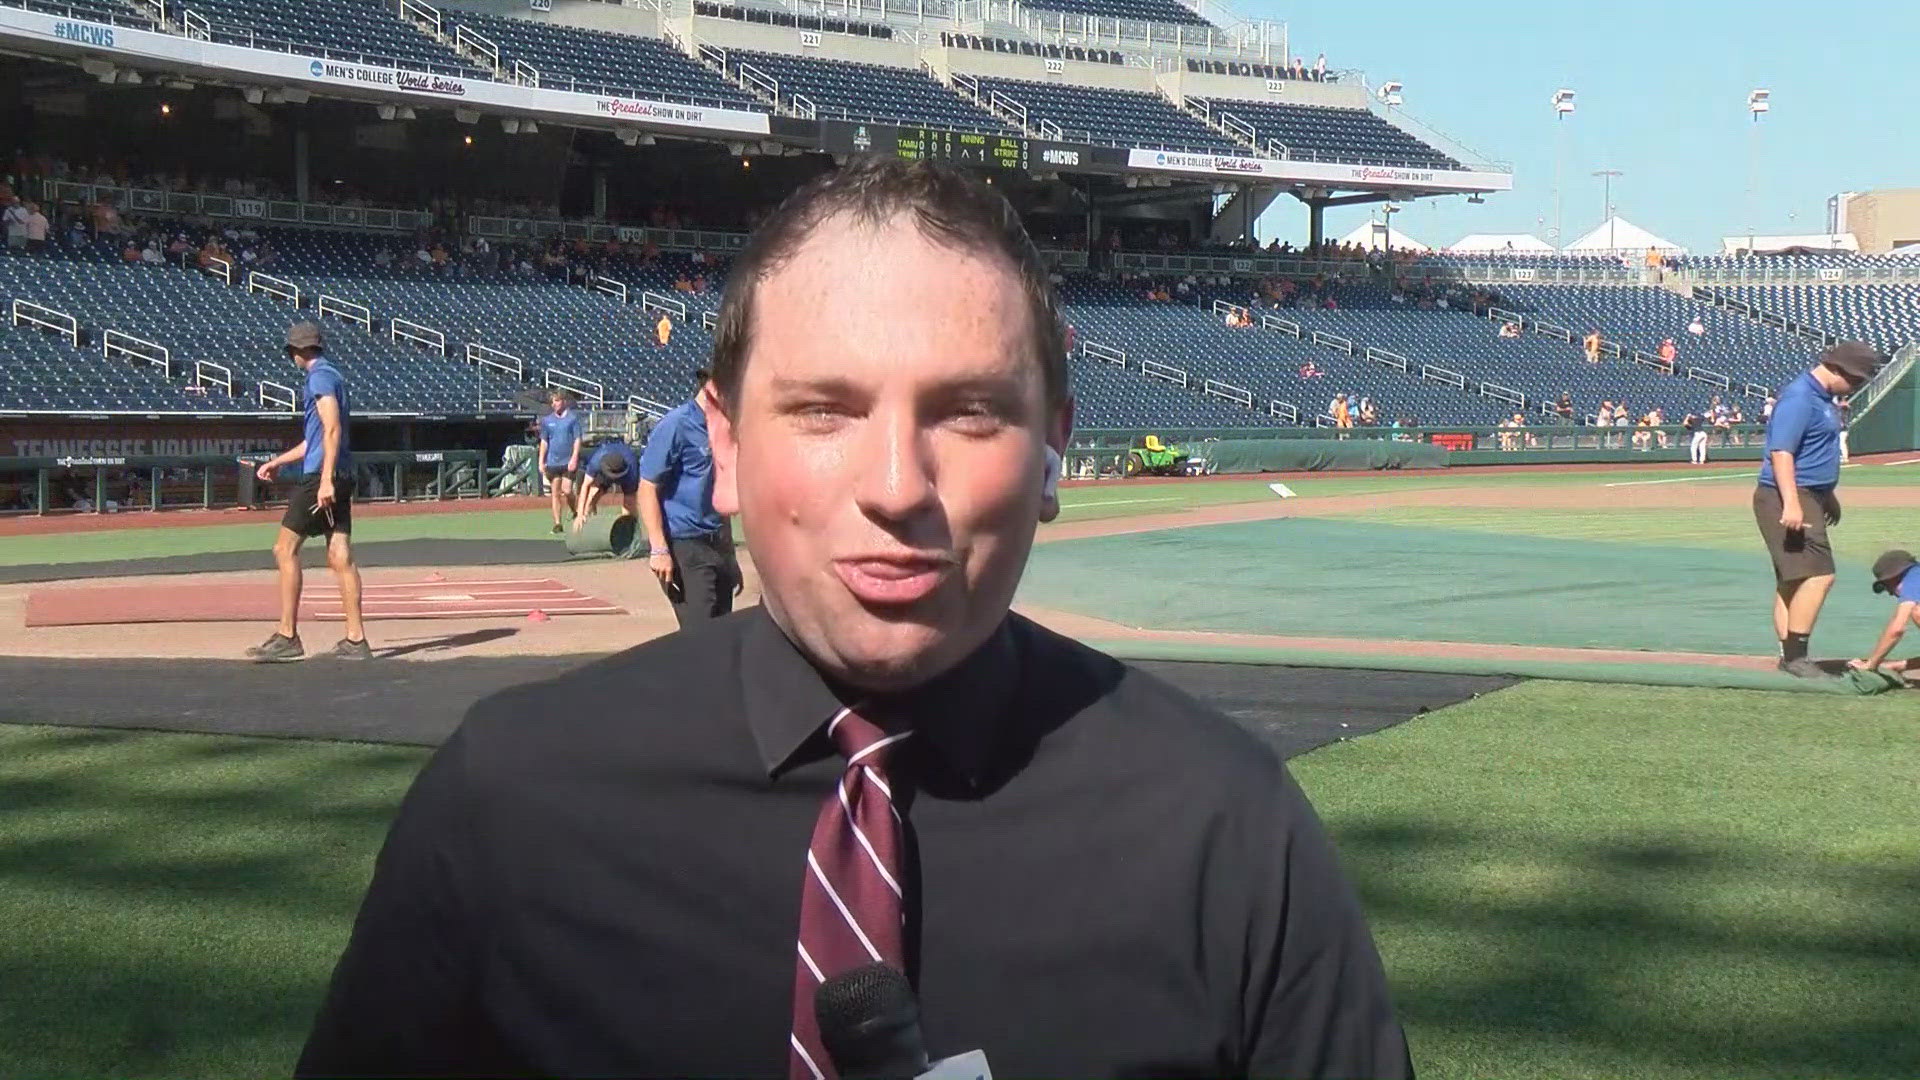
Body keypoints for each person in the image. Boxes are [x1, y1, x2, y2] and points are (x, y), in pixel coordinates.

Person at [297, 157, 1409, 1079]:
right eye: (823, 410)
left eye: (969, 412)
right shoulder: (510, 804)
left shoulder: (1226, 831)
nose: (895, 483)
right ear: (724, 447)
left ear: (1053, 448)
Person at [245, 322, 369, 663]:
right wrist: (277, 461)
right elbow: (314, 439)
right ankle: (356, 640)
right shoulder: (333, 375)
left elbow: (332, 429)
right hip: (340, 471)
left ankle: (288, 635)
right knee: (339, 554)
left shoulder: (319, 378)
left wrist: (325, 479)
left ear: (297, 352)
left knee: (284, 549)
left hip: (321, 477)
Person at [1754, 341, 1879, 678]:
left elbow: (1816, 451)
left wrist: (1828, 496)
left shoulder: (1823, 399)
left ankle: (1788, 656)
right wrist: (1793, 502)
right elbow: (1782, 453)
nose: (1855, 387)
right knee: (1820, 575)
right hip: (1786, 495)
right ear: (1839, 370)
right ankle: (1797, 658)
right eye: (1855, 381)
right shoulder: (1799, 397)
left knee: (1793, 580)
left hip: (1810, 494)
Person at [638, 369, 742, 627]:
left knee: (723, 633)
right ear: (710, 386)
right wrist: (659, 549)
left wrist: (729, 556)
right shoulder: (676, 425)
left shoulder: (724, 427)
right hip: (686, 545)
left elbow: (718, 491)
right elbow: (647, 486)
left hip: (717, 542)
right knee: (700, 636)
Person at [1849, 550, 1920, 682]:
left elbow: (1896, 629)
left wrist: (1871, 664)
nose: (1890, 593)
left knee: (1917, 612)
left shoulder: (1913, 579)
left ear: (1893, 578)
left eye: (1886, 586)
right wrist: (1898, 665)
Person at [536, 390, 583, 534]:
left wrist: (574, 457)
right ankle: (557, 523)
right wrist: (541, 460)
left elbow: (577, 439)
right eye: (554, 401)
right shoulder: (547, 421)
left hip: (568, 460)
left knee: (567, 490)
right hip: (553, 461)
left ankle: (575, 510)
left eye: (558, 400)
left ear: (564, 402)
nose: (556, 404)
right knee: (555, 492)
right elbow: (544, 441)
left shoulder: (572, 419)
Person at [572, 438, 640, 526]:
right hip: (605, 470)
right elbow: (585, 486)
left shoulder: (632, 469)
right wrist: (580, 515)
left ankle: (630, 528)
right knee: (592, 495)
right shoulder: (596, 462)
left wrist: (629, 519)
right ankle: (585, 521)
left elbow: (630, 499)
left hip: (625, 471)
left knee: (629, 504)